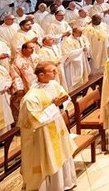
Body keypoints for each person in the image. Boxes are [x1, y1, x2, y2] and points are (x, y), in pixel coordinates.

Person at [18, 61, 77, 191]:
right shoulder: (31, 97)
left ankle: (65, 183)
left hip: (57, 126)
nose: (56, 73)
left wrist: (60, 104)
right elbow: (36, 120)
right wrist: (54, 105)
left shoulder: (54, 85)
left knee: (62, 153)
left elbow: (65, 99)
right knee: (48, 157)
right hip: (43, 133)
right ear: (41, 75)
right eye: (53, 71)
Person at [61, 26, 91, 90]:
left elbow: (87, 43)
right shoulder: (68, 41)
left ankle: (84, 87)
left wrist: (86, 47)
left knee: (84, 74)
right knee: (77, 77)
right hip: (74, 63)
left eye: (81, 32)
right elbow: (68, 54)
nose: (81, 33)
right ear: (74, 32)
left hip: (83, 59)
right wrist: (80, 50)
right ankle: (77, 89)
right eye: (79, 32)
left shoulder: (82, 37)